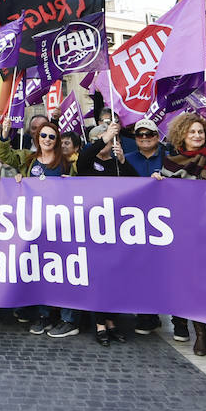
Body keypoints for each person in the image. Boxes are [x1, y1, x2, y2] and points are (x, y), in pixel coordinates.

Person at [155, 113, 206, 354]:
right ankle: (200, 333)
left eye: (200, 132)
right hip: (185, 233)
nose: (197, 136)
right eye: (192, 132)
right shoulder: (169, 163)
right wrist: (156, 181)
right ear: (182, 135)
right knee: (193, 285)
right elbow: (164, 199)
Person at [0, 121, 74, 334]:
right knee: (41, 271)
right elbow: (5, 155)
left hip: (59, 226)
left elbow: (78, 190)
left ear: (56, 141)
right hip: (34, 225)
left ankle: (68, 318)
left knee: (65, 271)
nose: (47, 139)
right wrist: (4, 134)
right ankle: (43, 315)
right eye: (43, 136)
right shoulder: (28, 160)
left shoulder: (65, 163)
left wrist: (73, 183)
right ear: (37, 138)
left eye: (51, 137)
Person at [76, 119, 137, 345]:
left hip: (116, 229)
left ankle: (112, 320)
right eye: (102, 141)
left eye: (110, 140)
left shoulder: (116, 164)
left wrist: (122, 160)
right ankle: (100, 323)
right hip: (92, 229)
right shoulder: (87, 163)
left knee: (115, 277)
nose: (106, 144)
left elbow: (136, 184)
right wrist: (104, 136)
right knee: (99, 277)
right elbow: (83, 158)